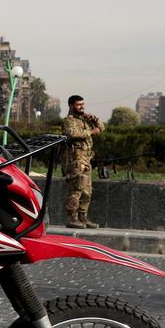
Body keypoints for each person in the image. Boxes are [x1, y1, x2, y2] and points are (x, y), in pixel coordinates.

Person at [62, 95, 104, 228]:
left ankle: (83, 217)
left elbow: (102, 128)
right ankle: (72, 218)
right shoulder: (69, 120)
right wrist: (91, 131)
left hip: (86, 160)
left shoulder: (84, 120)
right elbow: (72, 134)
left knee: (87, 192)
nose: (82, 107)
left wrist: (94, 120)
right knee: (76, 190)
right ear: (71, 105)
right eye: (79, 104)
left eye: (83, 104)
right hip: (76, 160)